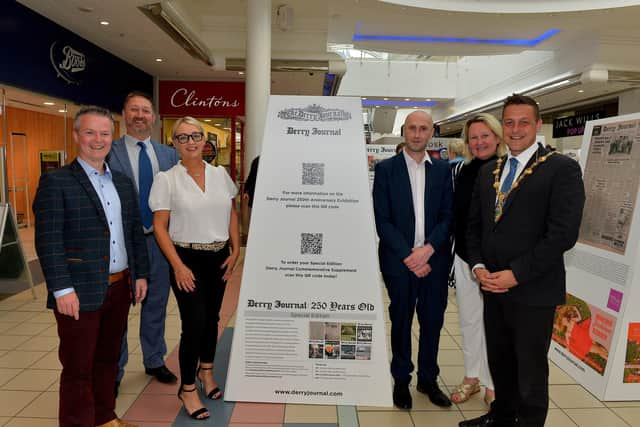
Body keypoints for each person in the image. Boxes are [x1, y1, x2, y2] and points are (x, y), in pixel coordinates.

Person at [462, 94, 585, 427]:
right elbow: (473, 227)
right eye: (510, 122)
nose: (515, 130)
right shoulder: (491, 170)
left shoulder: (562, 169)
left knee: (530, 371)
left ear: (538, 125)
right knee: (500, 362)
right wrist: (478, 267)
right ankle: (501, 417)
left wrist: (515, 274)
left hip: (532, 289)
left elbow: (562, 234)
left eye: (523, 122)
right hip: (492, 287)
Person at [33, 106, 149, 427]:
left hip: (119, 287)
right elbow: (48, 241)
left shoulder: (122, 183)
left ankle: (104, 418)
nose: (98, 140)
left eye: (104, 133)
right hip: (78, 293)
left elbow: (133, 233)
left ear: (113, 137)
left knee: (107, 360)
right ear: (76, 136)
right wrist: (62, 289)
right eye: (90, 132)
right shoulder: (56, 182)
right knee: (78, 368)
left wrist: (139, 274)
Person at [149, 116, 240, 420]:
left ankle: (207, 372)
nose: (191, 142)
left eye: (195, 136)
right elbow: (160, 227)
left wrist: (236, 248)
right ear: (173, 143)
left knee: (212, 318)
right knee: (195, 323)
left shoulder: (220, 175)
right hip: (186, 259)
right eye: (183, 137)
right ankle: (187, 388)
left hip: (218, 257)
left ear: (205, 140)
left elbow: (231, 213)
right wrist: (177, 266)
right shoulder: (167, 179)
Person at [372, 110, 454, 410]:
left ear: (431, 132)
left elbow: (448, 217)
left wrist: (428, 249)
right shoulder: (385, 170)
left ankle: (428, 379)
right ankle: (402, 379)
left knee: (433, 321)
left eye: (423, 129)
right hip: (398, 261)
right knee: (402, 320)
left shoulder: (444, 171)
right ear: (404, 131)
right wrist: (410, 255)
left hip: (435, 260)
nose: (417, 134)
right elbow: (382, 220)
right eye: (412, 129)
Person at [107, 92, 180, 389]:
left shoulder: (168, 155)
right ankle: (115, 370)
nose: (140, 115)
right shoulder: (108, 152)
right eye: (134, 110)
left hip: (158, 243)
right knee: (118, 309)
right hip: (121, 244)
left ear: (154, 117)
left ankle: (154, 359)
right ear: (124, 114)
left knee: (156, 304)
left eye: (146, 110)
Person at [451, 113, 507, 406]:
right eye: (473, 137)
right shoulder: (464, 170)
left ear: (497, 137)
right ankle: (472, 377)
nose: (479, 142)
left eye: (485, 135)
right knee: (469, 320)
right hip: (464, 257)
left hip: (495, 263)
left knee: (494, 324)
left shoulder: (507, 170)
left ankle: (493, 382)